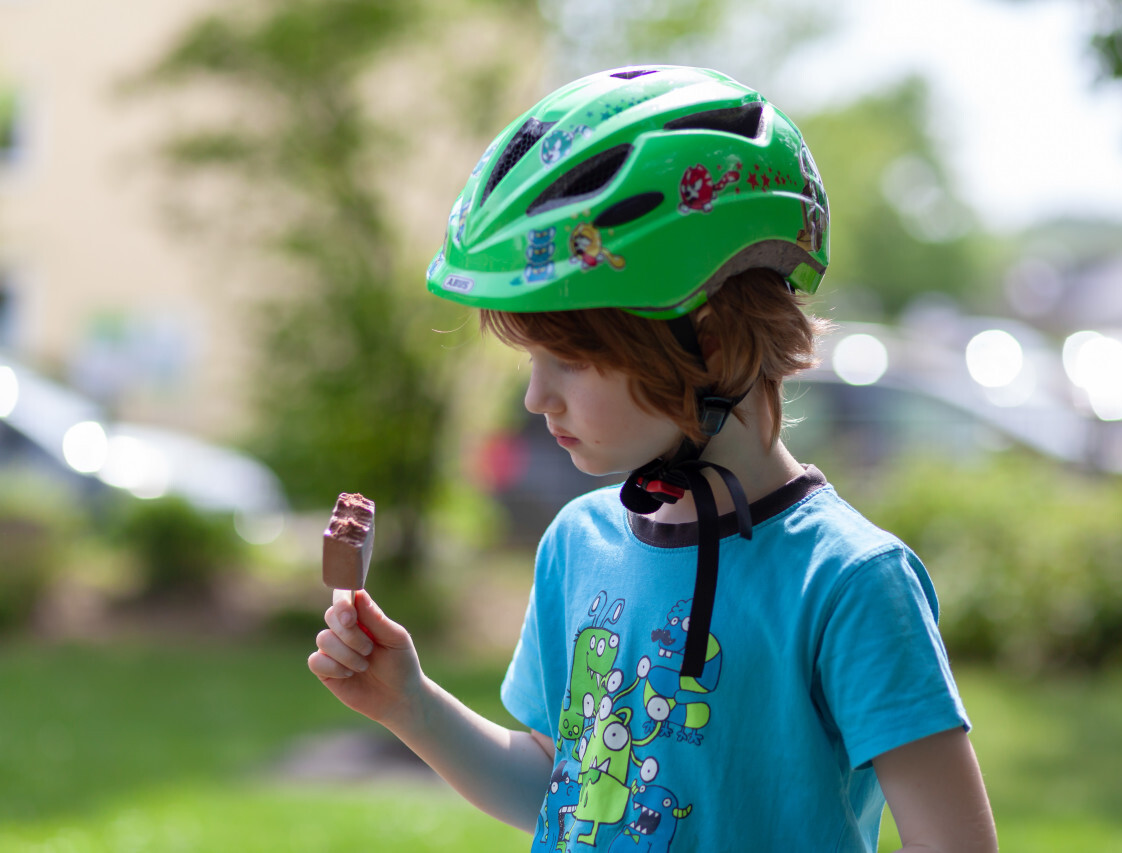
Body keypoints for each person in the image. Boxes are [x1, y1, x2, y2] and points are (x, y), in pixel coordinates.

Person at [309, 65, 998, 852]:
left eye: (570, 358)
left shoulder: (848, 582)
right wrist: (412, 704)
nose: (537, 397)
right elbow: (560, 787)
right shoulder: (579, 544)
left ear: (707, 339)